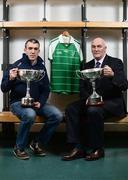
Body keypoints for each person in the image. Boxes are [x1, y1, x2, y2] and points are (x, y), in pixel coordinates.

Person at [62, 37, 128, 161]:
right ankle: (77, 148)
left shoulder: (115, 62)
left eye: (99, 46)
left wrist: (112, 75)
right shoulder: (87, 65)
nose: (96, 49)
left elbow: (124, 85)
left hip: (111, 102)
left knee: (93, 111)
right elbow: (81, 88)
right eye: (93, 46)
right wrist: (88, 99)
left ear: (105, 48)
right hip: (91, 101)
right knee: (71, 108)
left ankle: (97, 149)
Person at [1, 38, 63, 160]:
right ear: (25, 50)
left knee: (57, 115)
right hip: (17, 103)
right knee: (30, 114)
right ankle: (19, 147)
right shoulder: (15, 66)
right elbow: (4, 88)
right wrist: (11, 79)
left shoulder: (42, 68)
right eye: (30, 48)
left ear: (38, 51)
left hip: (36, 102)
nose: (32, 51)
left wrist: (41, 102)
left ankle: (37, 143)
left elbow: (46, 89)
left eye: (35, 49)